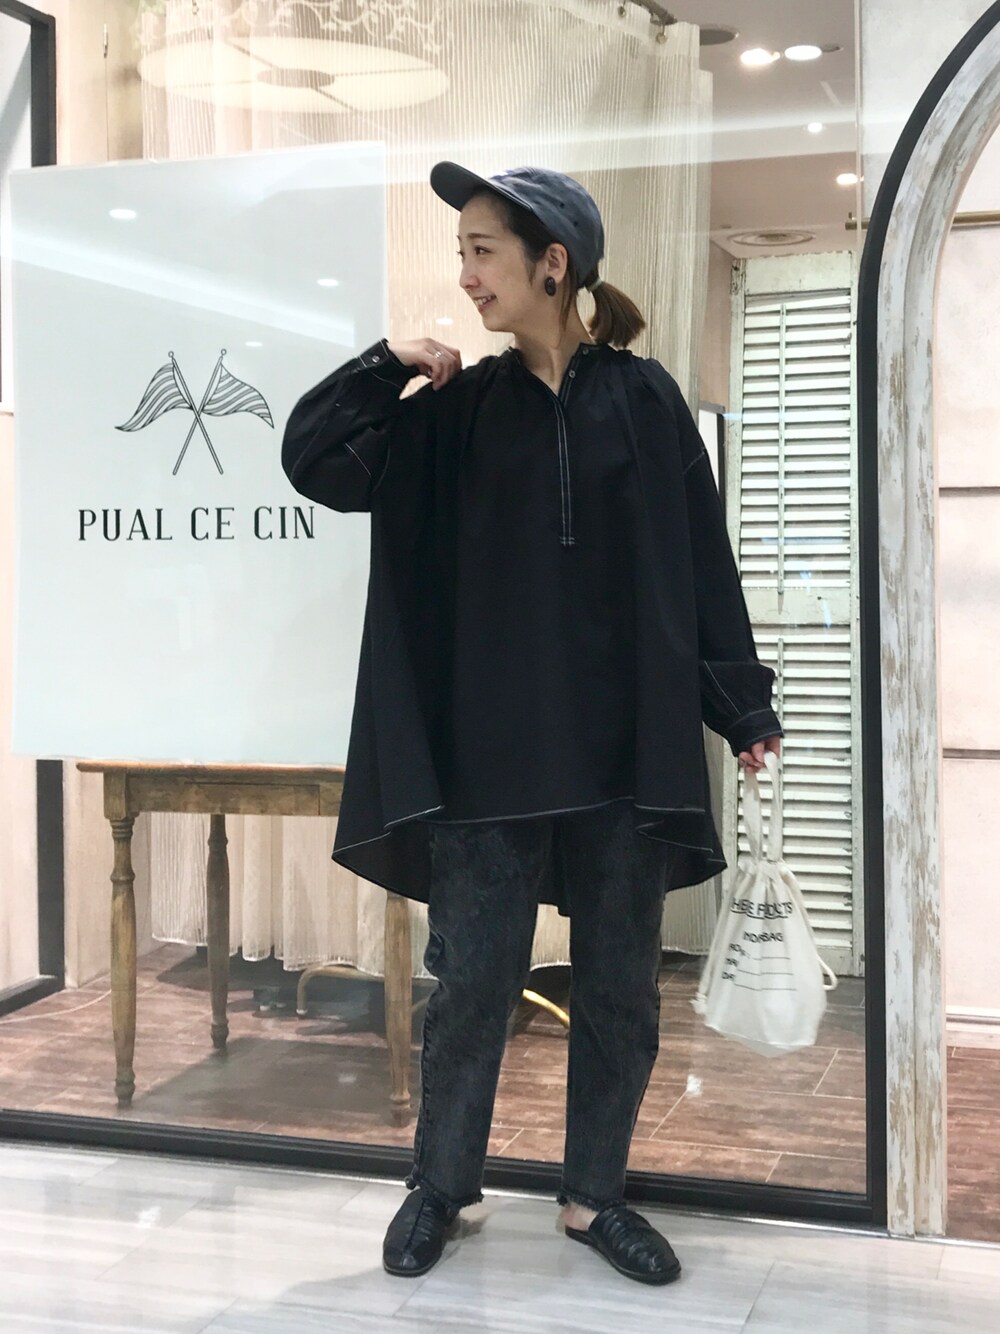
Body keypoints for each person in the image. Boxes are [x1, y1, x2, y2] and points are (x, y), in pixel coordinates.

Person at [281, 161, 783, 1286]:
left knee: (619, 987)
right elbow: (314, 459)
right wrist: (386, 365)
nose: (465, 275)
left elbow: (702, 561)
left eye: (482, 251)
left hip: (625, 748)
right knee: (473, 985)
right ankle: (441, 1187)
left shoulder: (644, 400)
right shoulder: (457, 413)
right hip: (486, 753)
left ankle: (593, 1196)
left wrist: (741, 702)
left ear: (553, 263)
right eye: (461, 251)